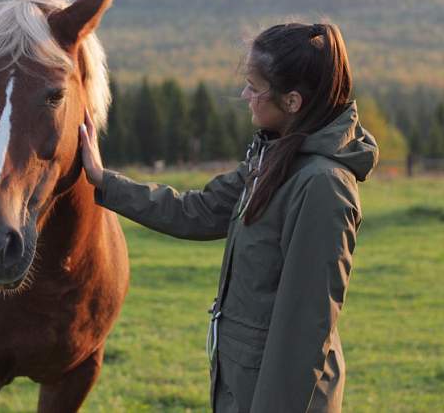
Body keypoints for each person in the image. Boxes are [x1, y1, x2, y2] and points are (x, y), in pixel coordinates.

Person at [79, 22, 379, 413]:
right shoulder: (272, 158)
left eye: (255, 87)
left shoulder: (323, 186)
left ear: (292, 102)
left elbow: (304, 330)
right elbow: (196, 211)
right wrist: (105, 181)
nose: (245, 95)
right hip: (241, 386)